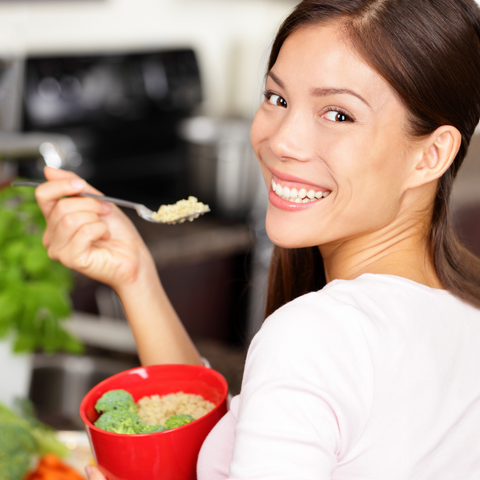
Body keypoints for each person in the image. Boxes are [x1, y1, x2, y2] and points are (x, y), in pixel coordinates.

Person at [35, 0, 480, 478]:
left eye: (338, 115)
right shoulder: (463, 308)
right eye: (278, 98)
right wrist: (136, 277)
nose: (282, 141)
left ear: (432, 154)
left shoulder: (316, 336)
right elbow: (231, 451)